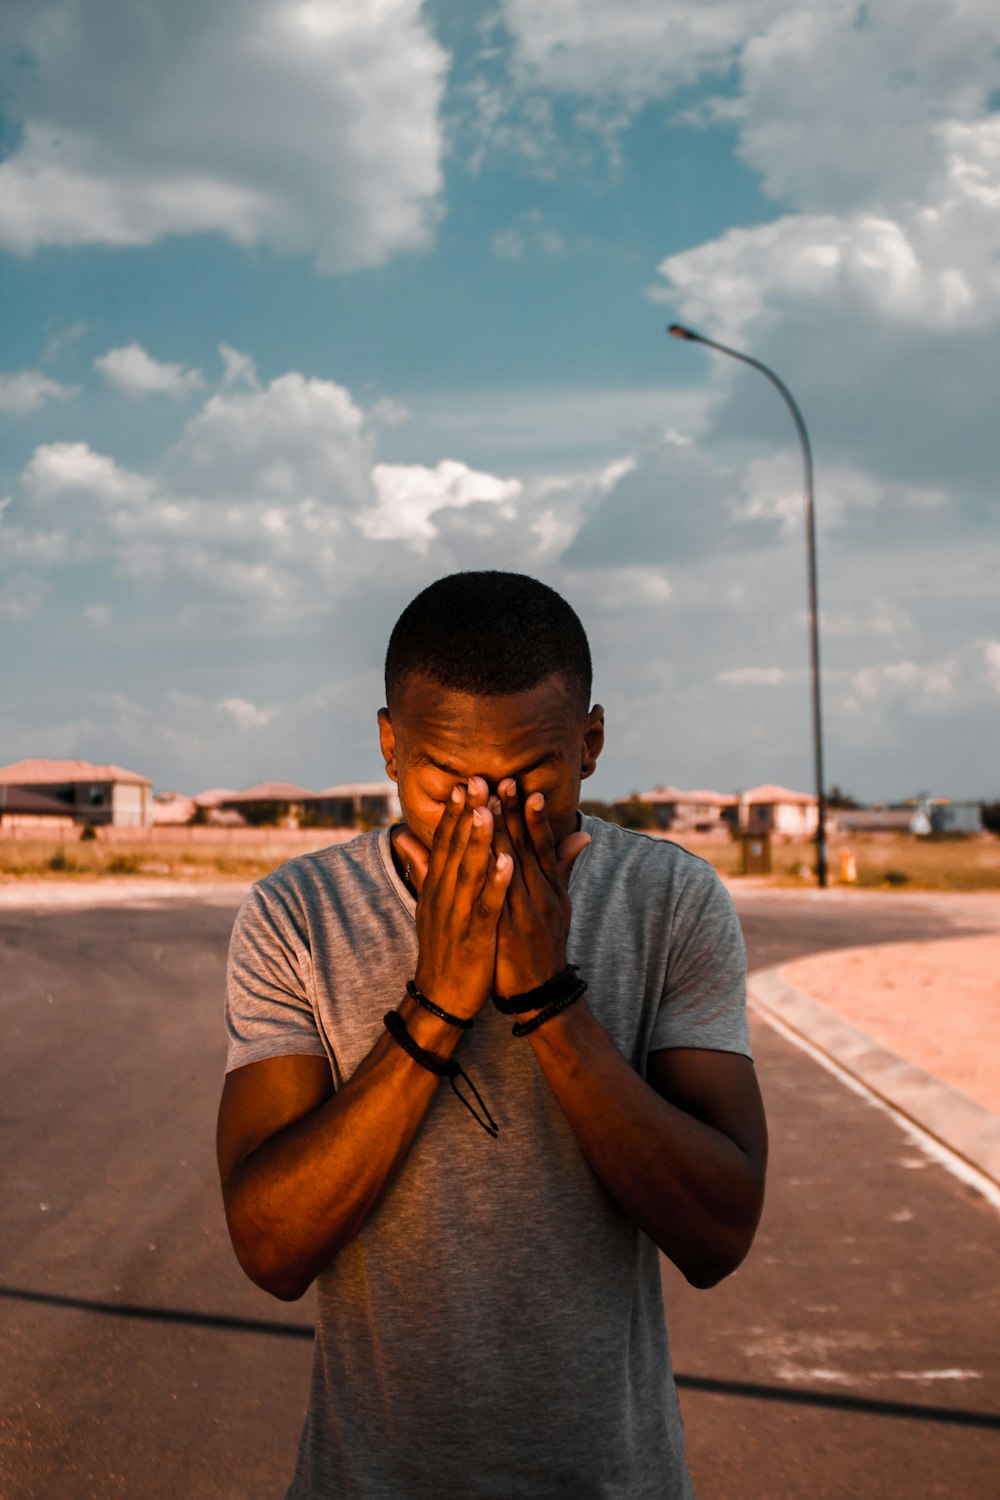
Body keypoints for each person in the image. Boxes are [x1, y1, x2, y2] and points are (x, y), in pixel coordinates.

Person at [217, 569, 767, 1500]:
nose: (490, 816)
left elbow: (718, 1234)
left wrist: (549, 998)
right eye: (447, 782)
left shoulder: (671, 902)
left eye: (527, 782)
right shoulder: (296, 916)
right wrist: (435, 1006)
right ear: (391, 748)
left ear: (589, 746)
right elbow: (270, 1251)